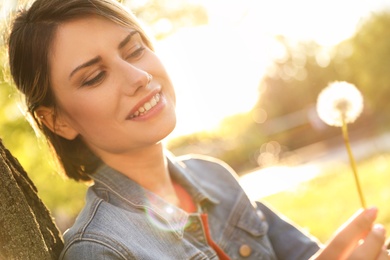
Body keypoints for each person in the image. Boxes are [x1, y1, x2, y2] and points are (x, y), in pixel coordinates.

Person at [7, 0, 389, 259]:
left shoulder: (215, 176)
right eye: (94, 76)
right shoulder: (100, 250)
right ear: (56, 120)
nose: (138, 77)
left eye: (134, 49)